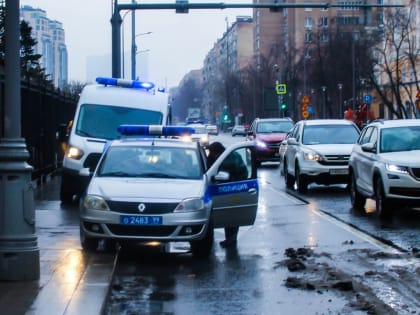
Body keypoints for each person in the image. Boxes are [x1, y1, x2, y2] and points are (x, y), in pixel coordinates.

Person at [207, 141, 247, 248]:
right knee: (227, 213)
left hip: (233, 189)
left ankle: (231, 239)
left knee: (231, 214)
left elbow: (241, 173)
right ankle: (229, 238)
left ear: (217, 152)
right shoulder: (219, 156)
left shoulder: (230, 158)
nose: (210, 154)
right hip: (224, 189)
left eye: (211, 152)